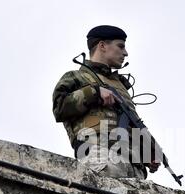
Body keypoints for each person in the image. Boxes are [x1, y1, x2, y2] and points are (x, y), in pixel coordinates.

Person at [52, 25, 160, 180]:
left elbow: (129, 124)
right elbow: (59, 107)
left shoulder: (121, 87)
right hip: (100, 155)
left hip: (133, 165)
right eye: (120, 46)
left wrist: (147, 153)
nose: (125, 53)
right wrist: (94, 92)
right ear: (102, 45)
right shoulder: (77, 77)